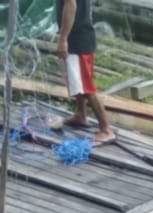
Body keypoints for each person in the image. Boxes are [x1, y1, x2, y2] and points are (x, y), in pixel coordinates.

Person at [55, 0, 115, 145]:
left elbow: (70, 4)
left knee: (86, 86)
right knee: (78, 81)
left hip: (77, 39)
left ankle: (106, 129)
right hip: (81, 35)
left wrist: (63, 39)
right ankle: (80, 114)